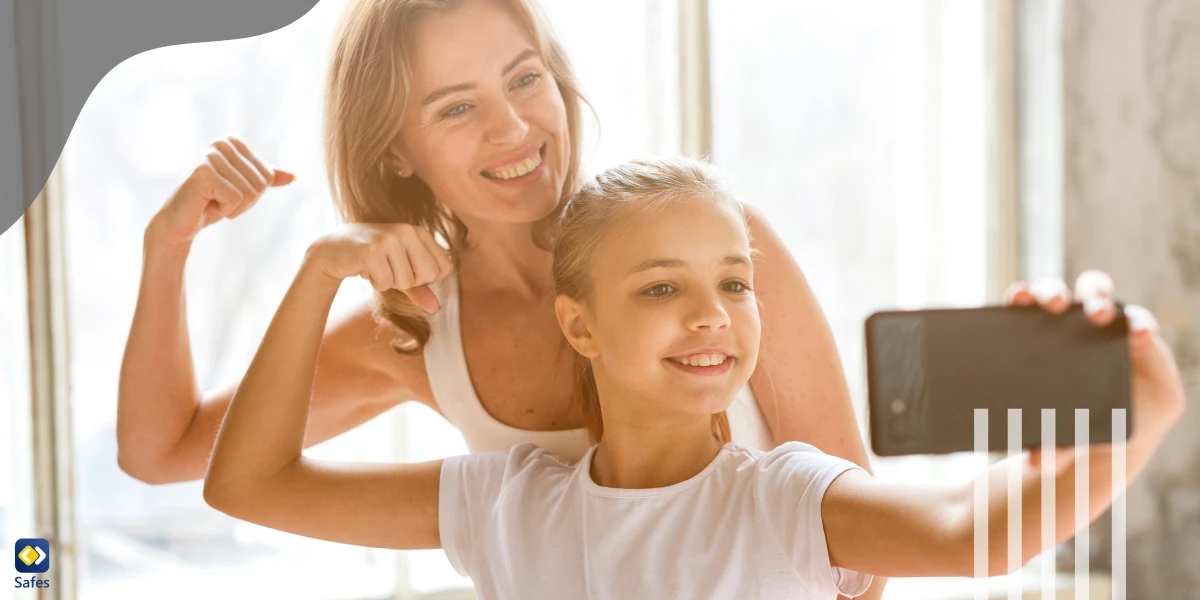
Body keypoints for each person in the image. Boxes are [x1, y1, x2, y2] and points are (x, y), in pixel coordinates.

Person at [203, 157, 1185, 599]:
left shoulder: (786, 499)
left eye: (734, 284)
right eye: (663, 287)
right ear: (579, 326)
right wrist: (320, 269)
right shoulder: (506, 504)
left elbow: (977, 537)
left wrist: (1139, 410)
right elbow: (245, 483)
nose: (712, 313)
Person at [119, 0, 867, 521]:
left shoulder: (718, 246)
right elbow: (161, 452)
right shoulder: (415, 330)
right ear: (393, 150)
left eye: (523, 77)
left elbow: (857, 555)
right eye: (456, 106)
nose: (513, 128)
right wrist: (168, 248)